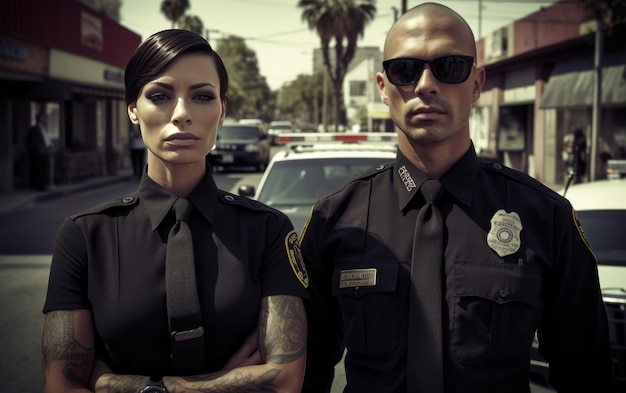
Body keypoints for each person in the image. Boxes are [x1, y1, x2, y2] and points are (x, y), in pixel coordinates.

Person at [300, 3, 614, 393]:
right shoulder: (335, 217)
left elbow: (586, 372)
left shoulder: (545, 217)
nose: (425, 84)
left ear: (477, 84)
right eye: (405, 69)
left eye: (449, 67)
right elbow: (304, 371)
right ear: (383, 87)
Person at [41, 29, 308, 393]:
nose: (182, 113)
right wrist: (221, 384)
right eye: (159, 96)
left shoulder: (268, 230)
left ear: (222, 110)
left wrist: (139, 387)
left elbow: (284, 380)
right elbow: (63, 384)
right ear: (133, 109)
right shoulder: (85, 236)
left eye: (201, 96)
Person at [25, 111, 51, 190]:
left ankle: (43, 185)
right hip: (39, 152)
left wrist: (49, 145)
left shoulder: (43, 128)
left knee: (44, 169)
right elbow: (31, 141)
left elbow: (44, 139)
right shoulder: (35, 129)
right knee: (39, 169)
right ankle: (40, 186)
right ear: (39, 119)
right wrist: (35, 150)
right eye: (44, 117)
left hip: (45, 151)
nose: (46, 119)